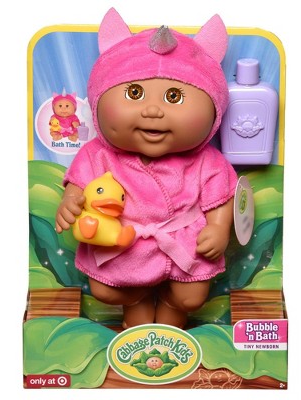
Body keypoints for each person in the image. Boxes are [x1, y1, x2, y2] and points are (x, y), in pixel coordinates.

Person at [55, 8, 238, 329]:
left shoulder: (206, 160)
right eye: (134, 93)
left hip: (184, 241)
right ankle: (137, 304)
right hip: (123, 241)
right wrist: (71, 200)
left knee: (191, 297)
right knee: (105, 290)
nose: (153, 110)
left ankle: (170, 309)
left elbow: (221, 198)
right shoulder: (98, 154)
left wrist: (219, 228)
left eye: (174, 96)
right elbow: (78, 185)